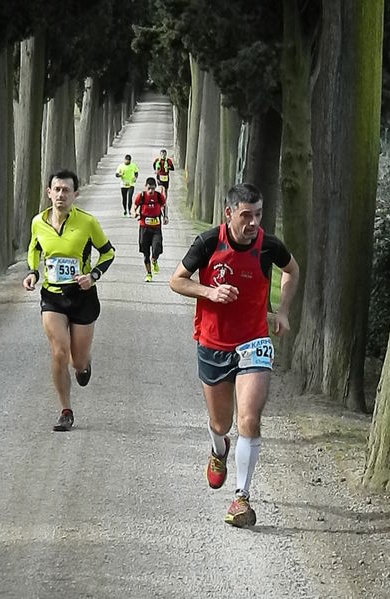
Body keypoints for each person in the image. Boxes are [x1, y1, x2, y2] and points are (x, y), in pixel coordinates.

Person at [169, 183, 299, 528]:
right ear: (229, 214)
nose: (254, 222)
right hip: (213, 343)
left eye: (258, 214)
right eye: (246, 215)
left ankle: (240, 498)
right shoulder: (209, 242)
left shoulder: (269, 246)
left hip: (254, 342)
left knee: (249, 420)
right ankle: (218, 449)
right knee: (220, 423)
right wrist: (209, 292)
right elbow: (177, 281)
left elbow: (292, 270)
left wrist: (283, 311)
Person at [22, 169, 115, 432]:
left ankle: (84, 366)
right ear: (49, 192)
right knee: (59, 352)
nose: (61, 194)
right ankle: (65, 410)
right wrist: (32, 272)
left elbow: (108, 253)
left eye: (66, 190)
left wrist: (93, 275)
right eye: (57, 189)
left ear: (75, 194)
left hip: (83, 297)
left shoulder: (87, 222)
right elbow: (34, 249)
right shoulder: (38, 222)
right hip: (52, 297)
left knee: (78, 361)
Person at [131, 176, 168, 282]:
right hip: (144, 227)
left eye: (153, 188)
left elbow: (164, 206)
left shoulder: (159, 196)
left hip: (156, 228)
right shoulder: (141, 196)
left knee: (157, 247)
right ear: (145, 187)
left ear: (155, 187)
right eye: (149, 188)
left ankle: (155, 259)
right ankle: (148, 273)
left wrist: (165, 216)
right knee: (145, 253)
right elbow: (134, 206)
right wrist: (134, 213)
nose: (151, 191)